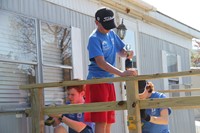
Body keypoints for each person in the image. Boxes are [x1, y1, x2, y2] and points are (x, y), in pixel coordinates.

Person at [85, 7, 137, 133]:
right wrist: (122, 73)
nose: (108, 28)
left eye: (110, 25)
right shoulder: (94, 38)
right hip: (97, 82)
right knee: (101, 120)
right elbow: (101, 63)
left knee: (109, 120)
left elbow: (121, 51)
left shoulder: (112, 34)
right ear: (97, 22)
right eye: (105, 25)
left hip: (109, 81)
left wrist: (127, 53)